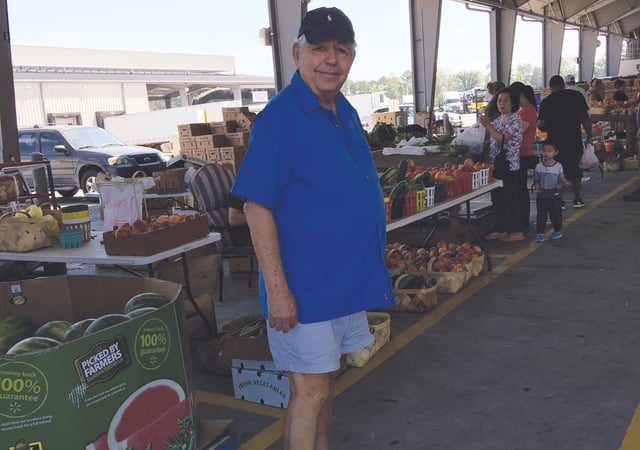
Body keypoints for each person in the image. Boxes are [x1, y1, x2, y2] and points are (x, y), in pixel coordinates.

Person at [230, 7, 394, 449]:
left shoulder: (342, 109)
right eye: (320, 48)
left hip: (342, 282)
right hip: (305, 289)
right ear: (297, 52)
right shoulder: (281, 118)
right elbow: (255, 206)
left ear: (352, 57)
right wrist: (278, 291)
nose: (331, 59)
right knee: (310, 389)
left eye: (341, 50)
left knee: (325, 384)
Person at [537, 75, 592, 208]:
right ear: (563, 84)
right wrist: (589, 136)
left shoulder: (547, 101)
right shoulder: (576, 96)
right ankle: (577, 198)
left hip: (555, 142)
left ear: (551, 88)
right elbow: (585, 117)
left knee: (557, 170)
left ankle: (559, 200)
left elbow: (541, 124)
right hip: (574, 139)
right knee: (575, 169)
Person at [479, 86, 524, 242]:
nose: (501, 104)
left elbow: (503, 139)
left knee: (510, 198)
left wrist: (487, 126)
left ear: (513, 103)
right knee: (497, 198)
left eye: (505, 101)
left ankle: (517, 230)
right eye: (499, 100)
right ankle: (501, 228)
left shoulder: (515, 119)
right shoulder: (498, 119)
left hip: (509, 164)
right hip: (496, 164)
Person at [509, 82, 539, 230]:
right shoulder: (523, 110)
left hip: (523, 153)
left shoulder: (528, 110)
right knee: (518, 188)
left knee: (520, 189)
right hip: (519, 153)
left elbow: (518, 131)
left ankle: (523, 221)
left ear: (521, 96)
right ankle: (521, 220)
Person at [533, 141, 566, 242]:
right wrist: (537, 187)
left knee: (555, 214)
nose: (546, 153)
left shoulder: (558, 166)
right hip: (542, 196)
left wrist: (560, 184)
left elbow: (562, 180)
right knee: (541, 215)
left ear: (556, 153)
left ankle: (557, 230)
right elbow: (536, 179)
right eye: (544, 151)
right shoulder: (539, 166)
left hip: (555, 196)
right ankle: (540, 233)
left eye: (549, 151)